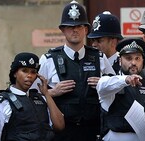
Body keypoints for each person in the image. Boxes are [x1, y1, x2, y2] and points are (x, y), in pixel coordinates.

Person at [31, 1, 116, 141]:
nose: (75, 30)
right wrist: (52, 92)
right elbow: (32, 97)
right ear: (63, 30)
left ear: (86, 30)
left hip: (94, 131)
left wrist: (103, 84)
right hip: (62, 132)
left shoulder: (99, 58)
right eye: (70, 27)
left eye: (79, 26)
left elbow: (116, 91)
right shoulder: (49, 59)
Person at [0, 52, 65, 141]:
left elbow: (60, 126)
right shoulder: (3, 102)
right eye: (24, 71)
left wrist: (46, 94)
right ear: (15, 73)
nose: (29, 75)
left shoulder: (41, 99)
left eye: (33, 72)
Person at [96, 38, 145, 141]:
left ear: (143, 61)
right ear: (120, 61)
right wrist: (125, 80)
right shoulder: (112, 81)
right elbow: (102, 85)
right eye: (128, 58)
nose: (133, 62)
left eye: (137, 58)